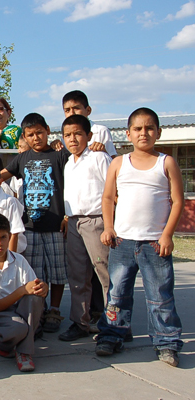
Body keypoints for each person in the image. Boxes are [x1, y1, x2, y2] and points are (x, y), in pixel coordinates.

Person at [96, 108, 184, 367]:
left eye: (149, 128)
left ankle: (166, 342)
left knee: (160, 296)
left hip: (155, 244)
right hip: (122, 242)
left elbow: (177, 201)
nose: (143, 133)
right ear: (128, 134)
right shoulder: (118, 163)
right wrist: (108, 227)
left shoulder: (165, 162)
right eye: (137, 128)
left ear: (158, 132)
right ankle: (112, 335)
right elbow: (108, 198)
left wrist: (167, 235)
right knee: (117, 294)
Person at [0, 113, 70, 334]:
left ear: (48, 130)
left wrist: (68, 215)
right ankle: (40, 309)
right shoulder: (22, 158)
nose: (36, 137)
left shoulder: (59, 155)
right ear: (25, 137)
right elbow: (1, 175)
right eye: (30, 134)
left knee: (58, 272)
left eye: (40, 132)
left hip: (55, 226)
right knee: (35, 272)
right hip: (29, 227)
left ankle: (55, 310)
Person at [58, 115, 111, 342]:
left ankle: (116, 324)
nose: (73, 139)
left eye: (78, 134)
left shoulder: (99, 158)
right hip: (74, 222)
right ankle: (80, 322)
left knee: (106, 274)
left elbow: (112, 193)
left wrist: (110, 225)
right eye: (68, 135)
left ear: (89, 136)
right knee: (78, 275)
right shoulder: (70, 162)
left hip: (96, 221)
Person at [0, 213, 47, 372]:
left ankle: (24, 352)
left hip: (22, 310)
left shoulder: (19, 260)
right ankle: (1, 339)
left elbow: (33, 287)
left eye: (3, 237)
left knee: (34, 298)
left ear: (9, 237)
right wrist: (21, 290)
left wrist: (43, 289)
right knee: (19, 328)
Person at [51, 90, 117, 158]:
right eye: (67, 110)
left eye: (76, 108)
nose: (72, 113)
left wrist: (104, 152)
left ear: (88, 110)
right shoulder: (65, 137)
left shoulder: (100, 131)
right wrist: (55, 146)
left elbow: (113, 161)